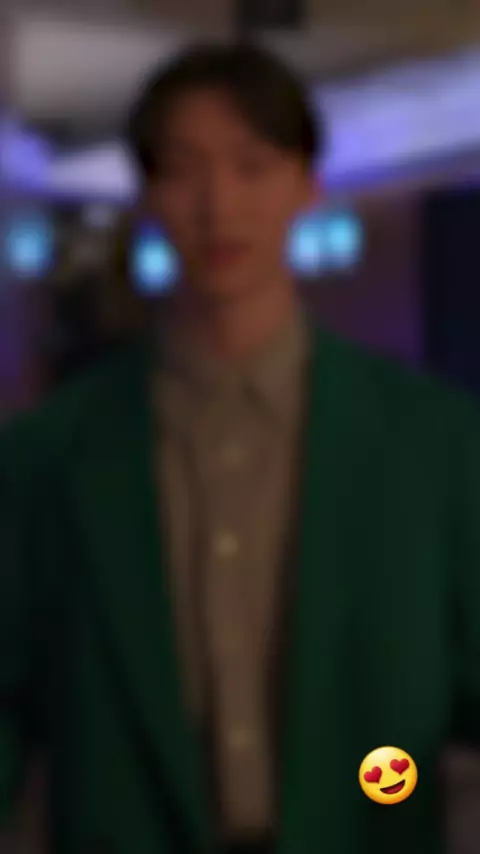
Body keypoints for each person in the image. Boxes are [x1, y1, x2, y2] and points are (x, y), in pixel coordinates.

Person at [1, 41, 480, 854]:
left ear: (306, 185)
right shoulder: (50, 453)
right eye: (183, 171)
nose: (218, 205)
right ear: (147, 194)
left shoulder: (431, 440)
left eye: (252, 167)